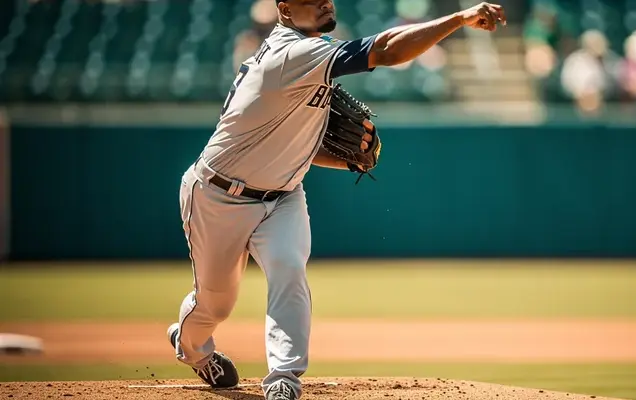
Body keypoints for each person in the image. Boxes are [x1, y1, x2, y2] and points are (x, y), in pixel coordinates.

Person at [165, 2, 507, 400]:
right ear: (286, 9)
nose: (326, 2)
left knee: (288, 268)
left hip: (283, 194)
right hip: (218, 195)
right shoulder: (294, 53)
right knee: (215, 304)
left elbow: (294, 144)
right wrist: (460, 18)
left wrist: (347, 160)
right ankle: (192, 348)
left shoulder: (307, 54)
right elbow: (387, 50)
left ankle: (284, 377)